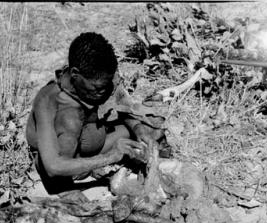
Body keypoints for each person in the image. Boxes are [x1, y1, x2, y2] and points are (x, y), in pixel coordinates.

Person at [26, 32, 165, 194]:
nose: (104, 92)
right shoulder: (48, 99)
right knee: (70, 120)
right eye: (97, 89)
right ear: (75, 75)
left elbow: (123, 108)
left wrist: (137, 129)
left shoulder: (103, 78)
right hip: (63, 162)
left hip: (93, 144)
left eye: (107, 86)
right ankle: (69, 186)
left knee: (151, 131)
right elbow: (53, 167)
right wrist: (110, 157)